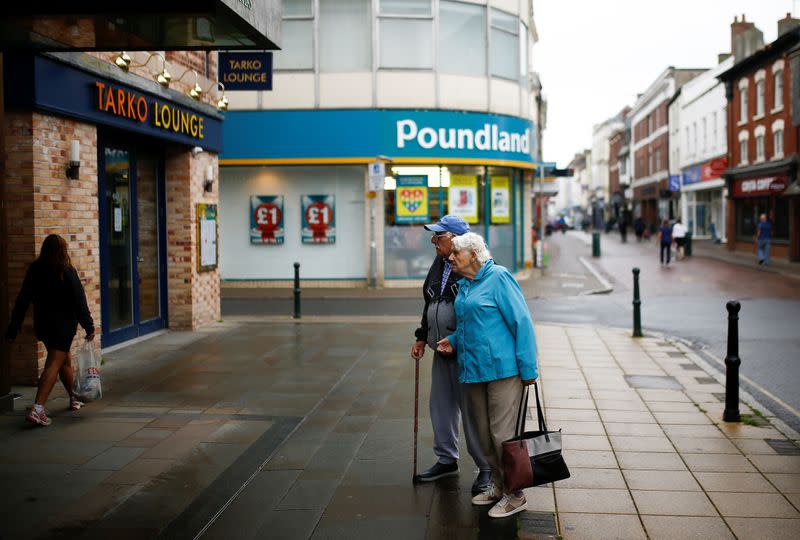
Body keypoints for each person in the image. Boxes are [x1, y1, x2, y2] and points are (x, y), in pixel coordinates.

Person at [435, 232, 538, 519]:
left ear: (475, 255)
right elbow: (472, 322)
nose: (450, 257)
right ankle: (497, 483)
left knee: (502, 435)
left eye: (456, 253)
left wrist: (529, 369)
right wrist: (453, 341)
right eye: (451, 253)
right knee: (481, 435)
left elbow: (522, 322)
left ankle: (515, 494)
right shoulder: (465, 284)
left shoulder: (499, 278)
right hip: (473, 369)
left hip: (503, 370)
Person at [411, 215, 491, 495]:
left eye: (439, 237)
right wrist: (422, 337)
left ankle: (486, 468)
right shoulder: (440, 263)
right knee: (441, 407)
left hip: (466, 352)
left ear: (455, 240)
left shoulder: (468, 265)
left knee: (472, 412)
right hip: (440, 349)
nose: (433, 241)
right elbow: (430, 301)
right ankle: (447, 460)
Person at [5, 234, 95, 426]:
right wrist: (88, 325)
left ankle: (74, 397)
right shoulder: (67, 271)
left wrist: (14, 327)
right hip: (63, 326)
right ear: (63, 250)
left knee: (64, 361)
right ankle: (38, 408)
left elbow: (22, 301)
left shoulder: (35, 271)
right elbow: (80, 301)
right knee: (54, 363)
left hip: (43, 325)